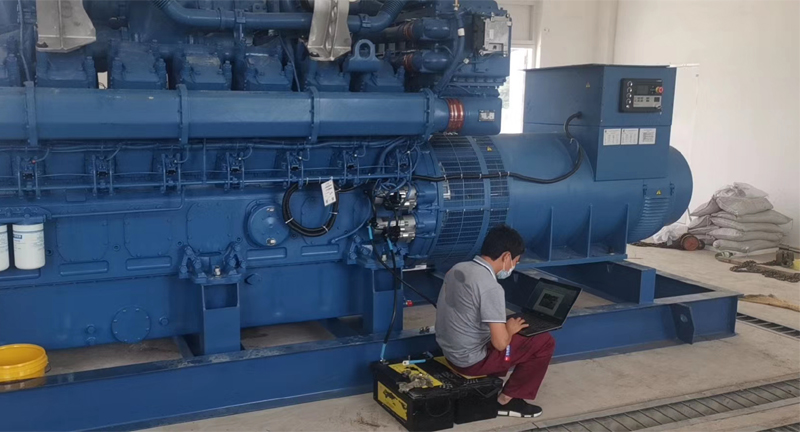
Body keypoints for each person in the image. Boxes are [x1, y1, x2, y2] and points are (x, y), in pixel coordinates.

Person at [435, 225, 555, 418]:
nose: (514, 265)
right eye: (515, 261)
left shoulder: (458, 268)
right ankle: (506, 400)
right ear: (506, 256)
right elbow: (500, 345)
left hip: (449, 353)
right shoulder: (491, 287)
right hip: (471, 362)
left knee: (510, 326)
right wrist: (509, 329)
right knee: (544, 341)